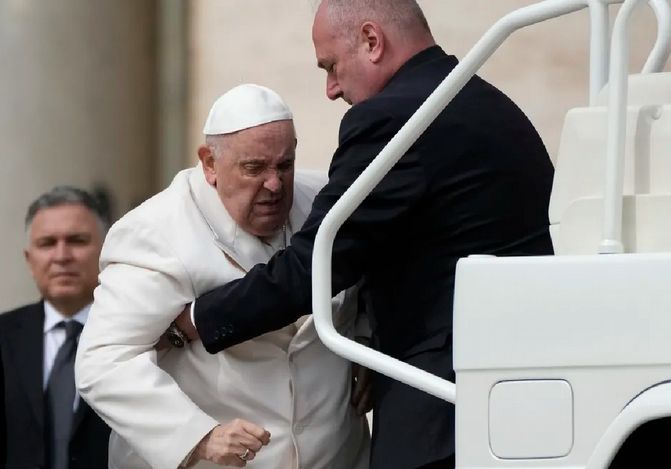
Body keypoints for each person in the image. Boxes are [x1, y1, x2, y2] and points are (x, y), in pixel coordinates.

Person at [180, 1, 555, 468]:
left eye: (331, 66)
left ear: (372, 42)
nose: (331, 89)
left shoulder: (394, 118)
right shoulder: (484, 101)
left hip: (444, 411)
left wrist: (195, 319)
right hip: (521, 390)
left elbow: (316, 263)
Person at [75, 84, 370, 469]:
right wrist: (198, 436)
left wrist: (367, 343)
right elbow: (103, 360)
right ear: (210, 163)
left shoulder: (324, 201)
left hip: (334, 456)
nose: (274, 185)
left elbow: (366, 277)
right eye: (254, 168)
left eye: (285, 165)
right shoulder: (155, 232)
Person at [0, 186, 111, 469]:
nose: (62, 256)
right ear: (29, 259)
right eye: (47, 243)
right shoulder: (4, 336)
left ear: (107, 251)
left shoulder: (144, 337)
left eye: (77, 240)